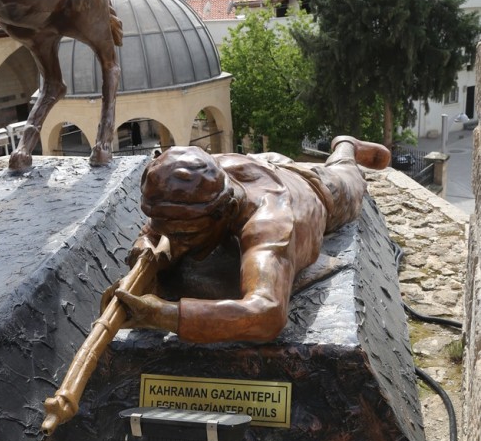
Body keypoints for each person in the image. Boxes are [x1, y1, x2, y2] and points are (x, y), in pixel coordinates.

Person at [114, 136, 391, 344]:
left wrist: (163, 314)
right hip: (252, 163)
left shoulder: (269, 221)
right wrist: (145, 245)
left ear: (229, 211)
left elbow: (266, 313)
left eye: (186, 235)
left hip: (313, 185)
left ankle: (345, 145)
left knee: (348, 178)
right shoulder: (191, 186)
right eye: (166, 229)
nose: (173, 242)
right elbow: (154, 228)